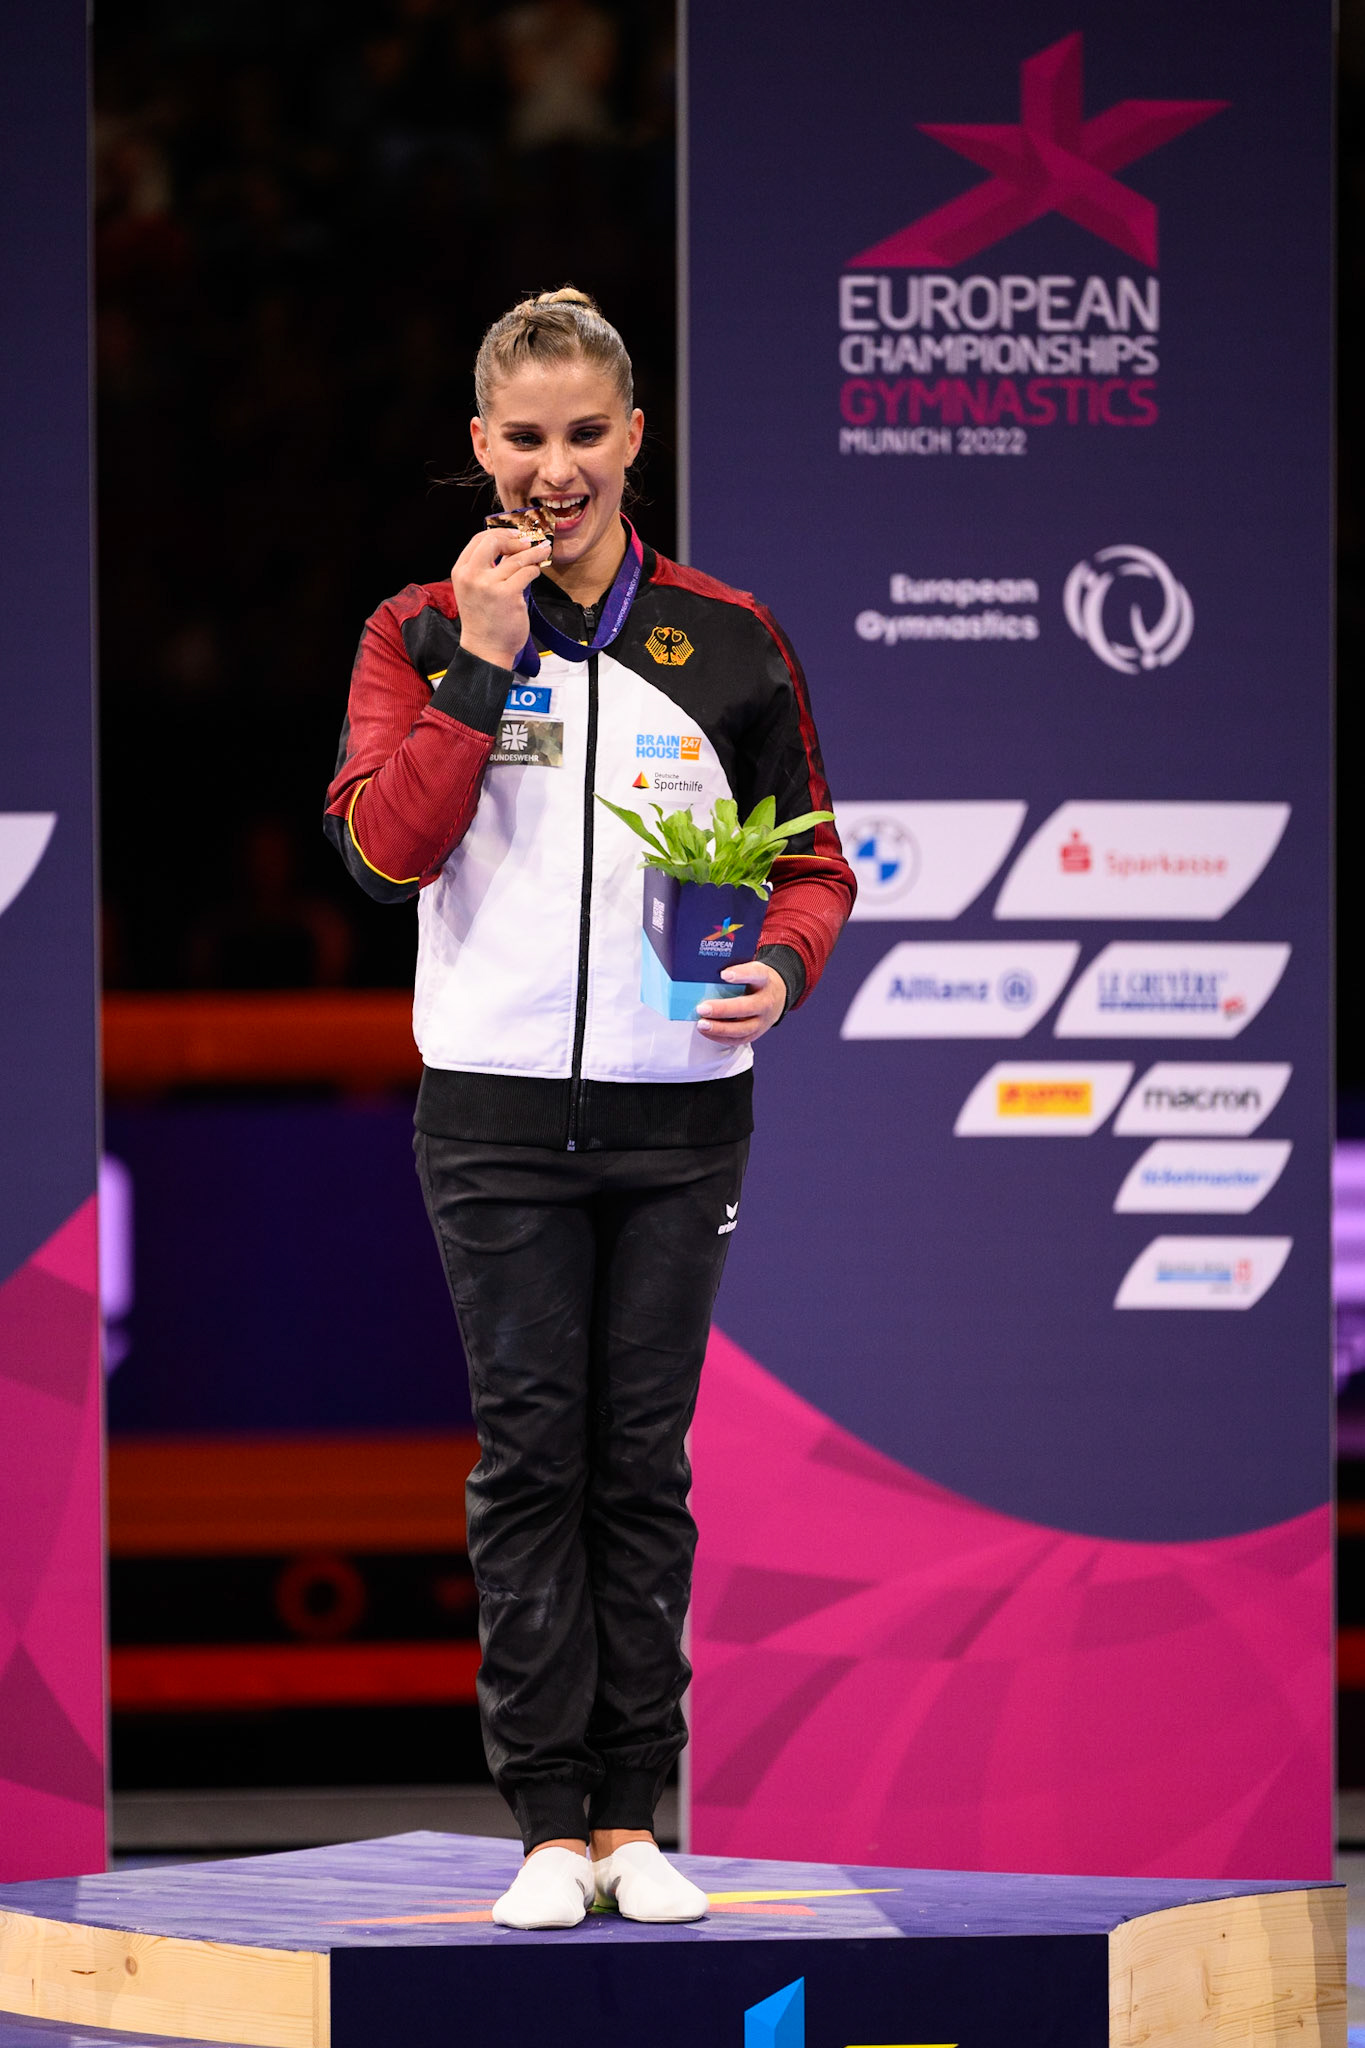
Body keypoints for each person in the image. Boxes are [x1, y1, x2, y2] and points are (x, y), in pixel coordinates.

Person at [323, 288, 855, 1929]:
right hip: (488, 1117)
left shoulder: (730, 636)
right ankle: (545, 1823)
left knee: (642, 1465)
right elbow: (379, 852)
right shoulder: (416, 629)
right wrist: (484, 667)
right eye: (524, 439)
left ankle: (634, 1820)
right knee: (529, 1458)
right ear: (484, 447)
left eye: (583, 436)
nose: (555, 470)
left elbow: (812, 860)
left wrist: (782, 962)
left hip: (681, 1113)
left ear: (632, 438)